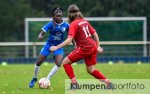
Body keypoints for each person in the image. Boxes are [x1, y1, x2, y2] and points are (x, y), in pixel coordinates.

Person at [50, 4, 113, 89]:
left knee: (65, 63)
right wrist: (98, 46)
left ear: (69, 14)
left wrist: (56, 47)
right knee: (90, 70)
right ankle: (108, 83)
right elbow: (94, 33)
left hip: (85, 48)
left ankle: (74, 84)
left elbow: (69, 40)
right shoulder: (84, 21)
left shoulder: (73, 24)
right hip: (92, 46)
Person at [29, 6, 69, 88]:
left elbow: (71, 35)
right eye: (57, 16)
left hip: (58, 46)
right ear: (54, 16)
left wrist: (75, 43)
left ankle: (47, 79)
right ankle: (34, 78)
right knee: (38, 62)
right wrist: (40, 36)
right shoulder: (51, 24)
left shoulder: (66, 25)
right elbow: (42, 32)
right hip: (49, 45)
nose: (59, 17)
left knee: (58, 63)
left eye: (60, 16)